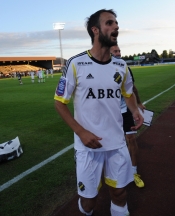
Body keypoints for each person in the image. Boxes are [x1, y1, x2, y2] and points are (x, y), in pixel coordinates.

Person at [54, 9, 143, 216]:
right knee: (89, 201)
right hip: (88, 146)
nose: (116, 27)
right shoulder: (76, 64)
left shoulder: (121, 66)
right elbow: (59, 103)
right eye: (110, 23)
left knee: (120, 192)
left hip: (116, 142)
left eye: (116, 24)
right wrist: (81, 132)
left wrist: (135, 110)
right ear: (95, 30)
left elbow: (127, 92)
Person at [110, 45, 146, 188]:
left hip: (125, 111)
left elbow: (132, 88)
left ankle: (134, 172)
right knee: (112, 142)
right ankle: (114, 170)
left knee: (131, 139)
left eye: (119, 51)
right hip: (110, 113)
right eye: (115, 51)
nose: (119, 53)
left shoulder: (124, 67)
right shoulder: (101, 69)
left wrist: (138, 103)